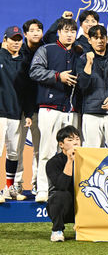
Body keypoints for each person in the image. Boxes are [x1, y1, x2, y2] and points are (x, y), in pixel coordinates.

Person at [29, 18, 81, 202]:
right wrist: (58, 76)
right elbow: (34, 71)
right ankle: (43, 188)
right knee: (46, 150)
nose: (69, 35)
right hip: (49, 107)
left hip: (71, 109)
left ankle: (71, 188)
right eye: (66, 31)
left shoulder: (79, 52)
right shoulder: (47, 49)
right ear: (59, 32)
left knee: (73, 153)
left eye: (73, 32)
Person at [76, 25, 108, 148]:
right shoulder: (83, 59)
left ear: (107, 38)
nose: (99, 41)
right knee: (91, 152)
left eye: (102, 37)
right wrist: (89, 63)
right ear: (89, 40)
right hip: (91, 112)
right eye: (95, 38)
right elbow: (82, 86)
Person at [0, 26, 33, 202]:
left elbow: (27, 91)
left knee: (13, 153)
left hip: (15, 113)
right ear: (5, 40)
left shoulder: (24, 62)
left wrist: (28, 113)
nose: (16, 42)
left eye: (19, 39)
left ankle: (9, 188)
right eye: (13, 39)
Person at [15, 19, 44, 195]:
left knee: (40, 148)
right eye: (31, 30)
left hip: (41, 107)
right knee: (17, 148)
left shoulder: (46, 50)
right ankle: (17, 182)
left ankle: (37, 182)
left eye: (38, 29)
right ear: (25, 34)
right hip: (21, 108)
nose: (35, 33)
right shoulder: (18, 52)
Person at [45, 125, 80, 242]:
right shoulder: (53, 163)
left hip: (84, 203)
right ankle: (57, 230)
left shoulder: (88, 159)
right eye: (70, 140)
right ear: (61, 145)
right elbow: (62, 186)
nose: (75, 143)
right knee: (60, 194)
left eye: (77, 139)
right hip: (63, 207)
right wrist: (70, 161)